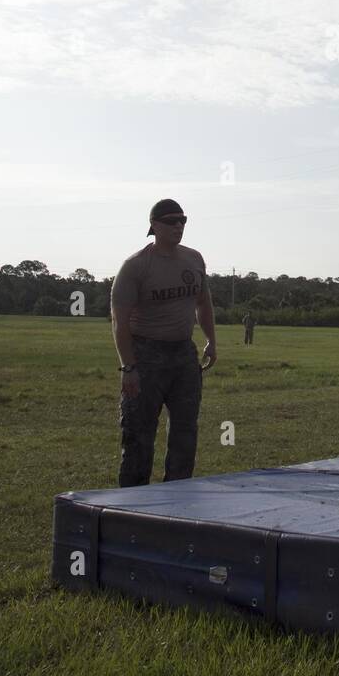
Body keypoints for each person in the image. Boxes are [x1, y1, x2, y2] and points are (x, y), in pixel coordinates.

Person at [111, 198, 217, 487]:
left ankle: (178, 496)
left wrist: (211, 341)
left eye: (183, 220)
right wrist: (128, 367)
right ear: (154, 226)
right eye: (171, 221)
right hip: (145, 356)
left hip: (184, 355)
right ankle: (133, 503)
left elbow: (203, 304)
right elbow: (119, 321)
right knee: (139, 433)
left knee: (185, 431)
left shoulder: (194, 259)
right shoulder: (135, 266)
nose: (178, 226)